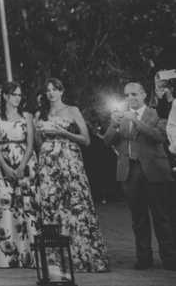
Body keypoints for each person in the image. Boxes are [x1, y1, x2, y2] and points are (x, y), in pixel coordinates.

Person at [36, 78, 109, 273]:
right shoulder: (40, 113)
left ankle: (83, 255)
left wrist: (62, 131)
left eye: (55, 89)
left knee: (74, 204)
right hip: (48, 162)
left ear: (61, 91)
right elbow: (37, 141)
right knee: (52, 206)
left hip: (69, 159)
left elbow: (85, 140)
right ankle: (56, 260)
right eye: (48, 90)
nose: (51, 92)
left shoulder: (72, 110)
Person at [103, 82, 176, 270]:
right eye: (127, 95)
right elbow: (108, 140)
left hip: (154, 169)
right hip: (129, 171)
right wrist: (114, 125)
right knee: (138, 217)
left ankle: (169, 257)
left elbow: (160, 135)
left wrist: (136, 122)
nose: (130, 98)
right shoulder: (120, 117)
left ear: (144, 95)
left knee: (162, 216)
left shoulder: (156, 113)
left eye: (134, 94)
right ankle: (144, 257)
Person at [0, 81, 38, 269]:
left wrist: (22, 165)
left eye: (20, 94)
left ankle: (31, 255)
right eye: (14, 94)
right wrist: (5, 166)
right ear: (6, 96)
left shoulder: (27, 116)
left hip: (25, 162)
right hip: (3, 163)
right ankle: (7, 257)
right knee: (5, 207)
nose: (18, 97)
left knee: (28, 205)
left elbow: (31, 142)